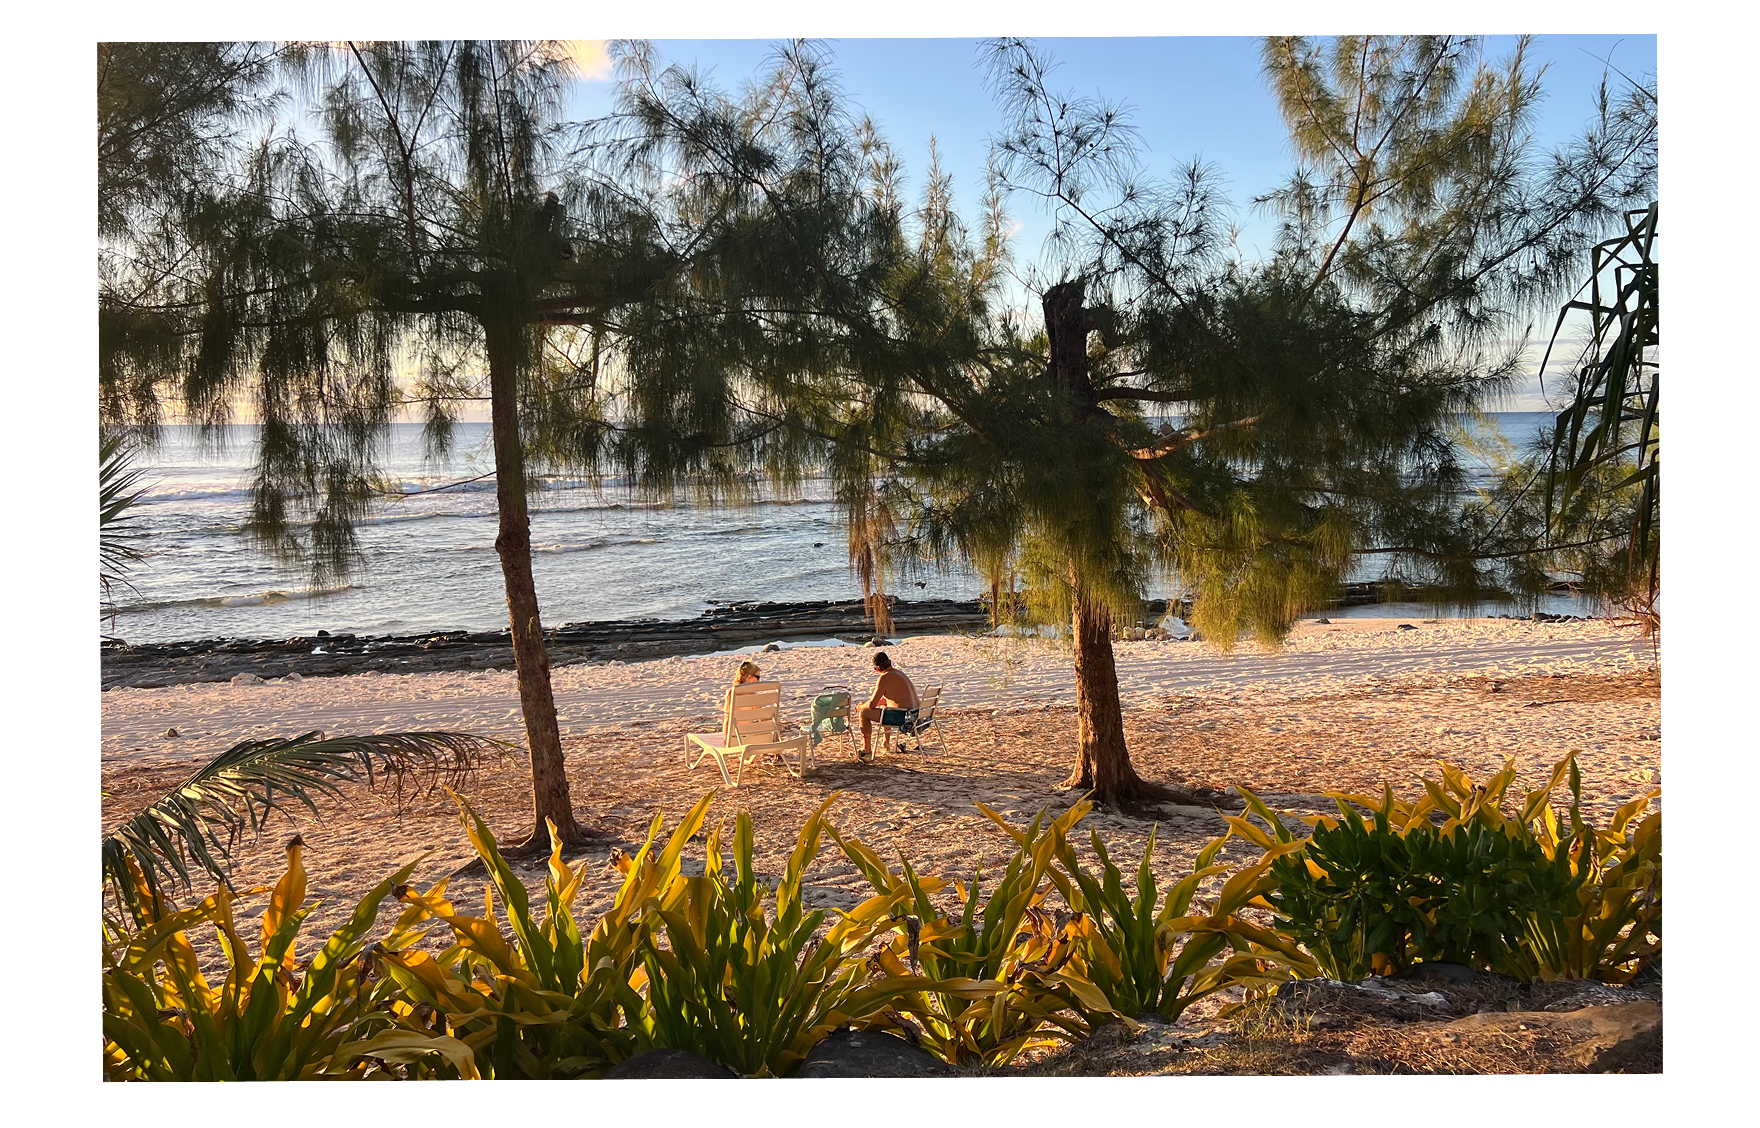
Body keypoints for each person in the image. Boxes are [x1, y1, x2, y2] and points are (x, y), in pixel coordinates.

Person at [858, 651, 919, 762]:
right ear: (889, 663)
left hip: (905, 719)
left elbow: (871, 705)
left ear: (876, 669)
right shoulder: (899, 673)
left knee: (864, 713)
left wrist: (861, 707)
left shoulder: (884, 678)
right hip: (916, 714)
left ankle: (866, 750)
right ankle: (885, 744)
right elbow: (888, 700)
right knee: (885, 708)